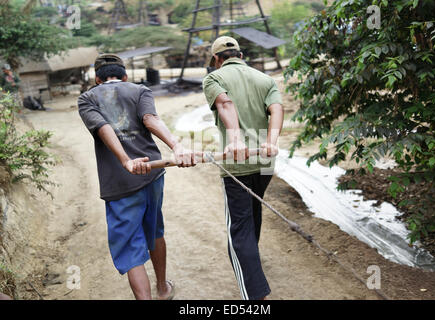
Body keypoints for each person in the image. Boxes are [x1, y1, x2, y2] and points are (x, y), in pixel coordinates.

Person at [78, 54, 196, 300]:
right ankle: (163, 288)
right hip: (152, 175)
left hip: (120, 183)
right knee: (154, 230)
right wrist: (177, 146)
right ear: (125, 76)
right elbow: (150, 119)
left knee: (131, 247)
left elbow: (103, 127)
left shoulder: (87, 98)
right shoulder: (140, 90)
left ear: (97, 79)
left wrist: (125, 161)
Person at [202, 36, 284, 300]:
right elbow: (277, 109)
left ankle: (254, 295)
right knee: (253, 207)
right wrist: (271, 142)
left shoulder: (214, 78)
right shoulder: (265, 79)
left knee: (238, 229)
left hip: (237, 165)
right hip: (265, 161)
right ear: (240, 54)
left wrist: (235, 139)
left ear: (217, 59)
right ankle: (253, 260)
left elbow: (226, 104)